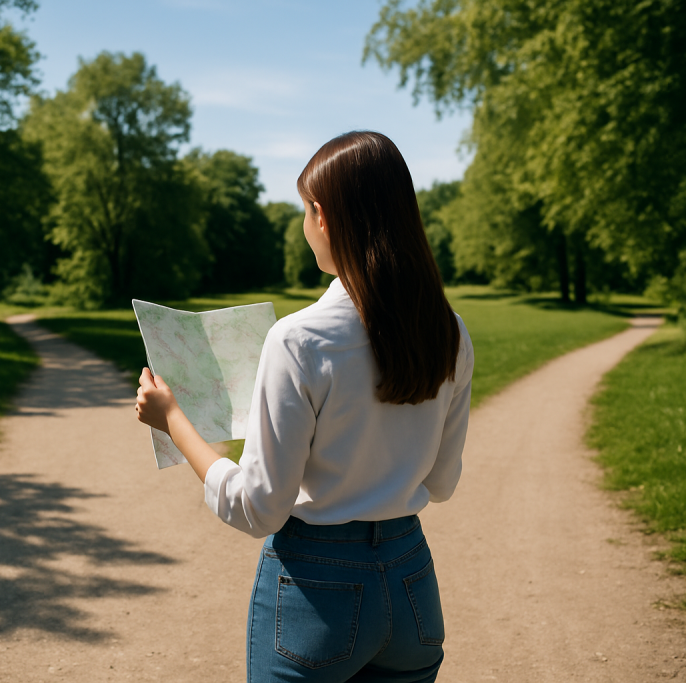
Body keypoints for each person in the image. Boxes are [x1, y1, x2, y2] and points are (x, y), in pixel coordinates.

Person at [136, 130, 473, 683]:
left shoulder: (299, 340)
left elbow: (258, 508)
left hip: (318, 590)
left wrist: (173, 418)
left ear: (324, 216)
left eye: (304, 211)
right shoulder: (449, 331)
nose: (303, 226)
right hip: (412, 582)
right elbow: (442, 482)